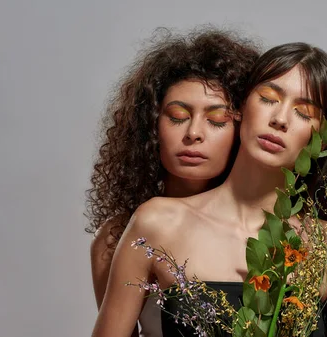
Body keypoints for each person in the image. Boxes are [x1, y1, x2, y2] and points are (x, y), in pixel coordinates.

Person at [92, 42, 327, 337]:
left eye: (303, 112)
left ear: (323, 139)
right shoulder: (157, 224)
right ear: (240, 108)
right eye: (268, 98)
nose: (280, 119)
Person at [85, 28, 260, 336]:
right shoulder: (116, 238)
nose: (194, 133)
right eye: (178, 116)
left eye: (217, 120)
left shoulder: (258, 231)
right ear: (150, 127)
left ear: (241, 130)